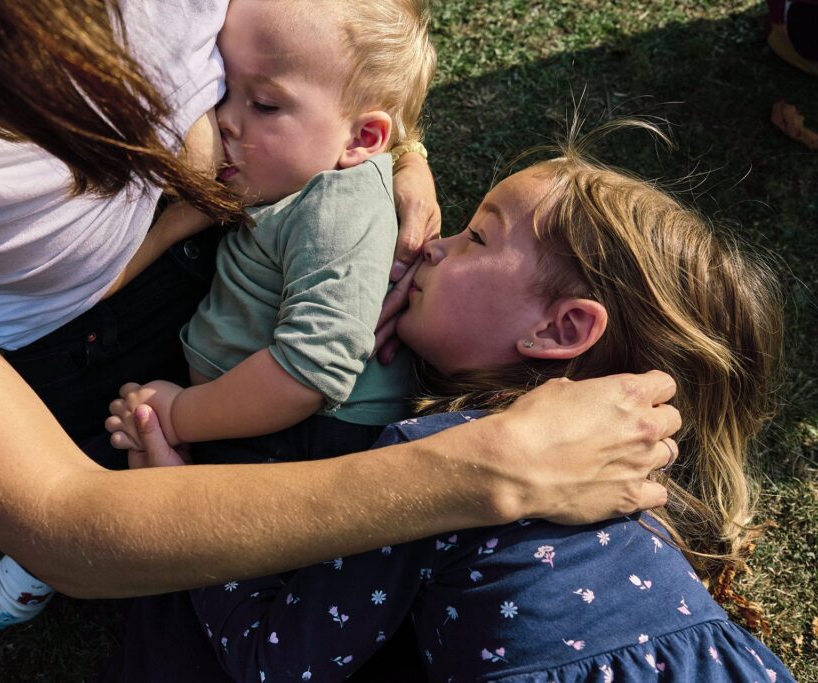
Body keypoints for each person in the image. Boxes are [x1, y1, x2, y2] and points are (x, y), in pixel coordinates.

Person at [0, 0, 677, 661]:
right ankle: (18, 580)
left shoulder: (325, 202)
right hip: (101, 326)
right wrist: (485, 469)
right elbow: (59, 513)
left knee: (167, 509)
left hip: (238, 289)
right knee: (107, 472)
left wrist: (398, 149)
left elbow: (351, 47)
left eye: (255, 99)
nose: (217, 114)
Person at [110, 120, 794, 681]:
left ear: (560, 329)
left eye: (475, 237)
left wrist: (181, 491)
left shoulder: (440, 458)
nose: (431, 247)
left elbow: (277, 659)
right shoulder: (641, 481)